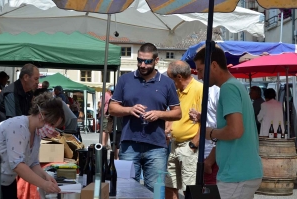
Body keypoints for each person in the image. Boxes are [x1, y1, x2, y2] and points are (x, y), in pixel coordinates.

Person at [109, 43, 181, 192]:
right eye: (139, 60)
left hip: (156, 146)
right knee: (126, 190)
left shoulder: (167, 83)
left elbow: (177, 112)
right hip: (129, 144)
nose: (142, 65)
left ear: (156, 60)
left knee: (154, 191)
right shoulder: (125, 80)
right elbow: (112, 108)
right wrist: (129, 110)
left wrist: (159, 114)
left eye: (147, 61)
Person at [194, 46, 263, 199]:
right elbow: (231, 132)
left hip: (236, 175)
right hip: (240, 172)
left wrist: (209, 132)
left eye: (200, 70)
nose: (199, 76)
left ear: (213, 65)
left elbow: (235, 131)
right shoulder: (234, 86)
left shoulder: (228, 88)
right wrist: (211, 160)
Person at [0, 92, 65, 198]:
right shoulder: (18, 126)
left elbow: (33, 163)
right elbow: (17, 165)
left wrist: (45, 176)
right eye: (52, 124)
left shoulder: (36, 133)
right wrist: (44, 184)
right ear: (42, 114)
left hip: (7, 182)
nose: (52, 129)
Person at [164, 60, 203, 198]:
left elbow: (206, 121)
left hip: (189, 145)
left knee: (190, 189)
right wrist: (168, 129)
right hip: (175, 144)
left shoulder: (199, 89)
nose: (169, 82)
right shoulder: (178, 91)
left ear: (179, 77)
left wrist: (193, 145)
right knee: (170, 185)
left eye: (170, 78)